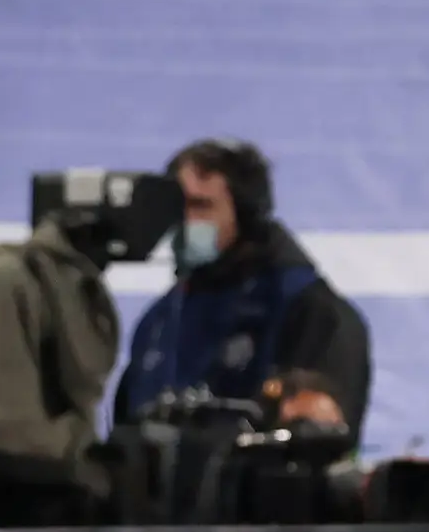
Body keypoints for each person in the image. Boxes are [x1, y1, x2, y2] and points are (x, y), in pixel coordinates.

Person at [111, 139, 370, 434]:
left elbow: (320, 442)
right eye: (176, 207)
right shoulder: (159, 321)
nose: (185, 221)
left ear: (246, 215)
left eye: (201, 206)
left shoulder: (311, 313)